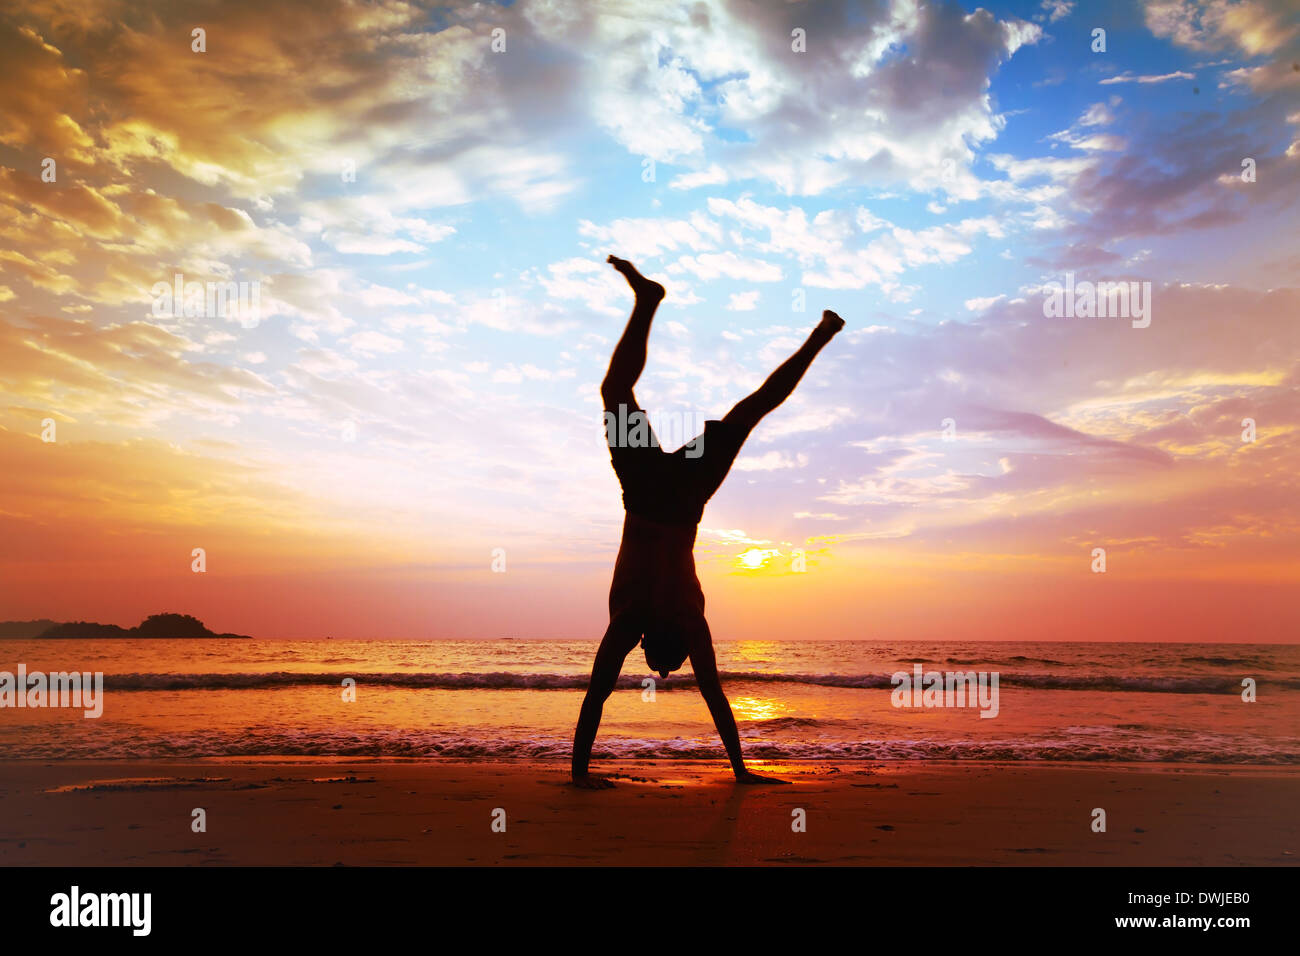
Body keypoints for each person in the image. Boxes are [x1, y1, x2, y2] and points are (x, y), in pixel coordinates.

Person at [570, 255, 845, 788]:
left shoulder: (681, 620)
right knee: (618, 396)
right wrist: (579, 775)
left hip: (679, 496)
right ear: (653, 642)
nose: (647, 659)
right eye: (654, 659)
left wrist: (744, 770)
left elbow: (712, 695)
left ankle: (820, 336)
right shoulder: (633, 617)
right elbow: (600, 691)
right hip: (646, 488)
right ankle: (649, 302)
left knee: (751, 412)